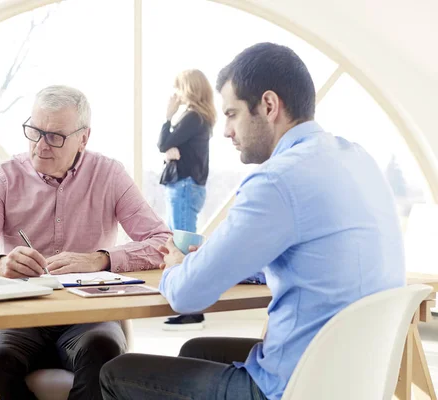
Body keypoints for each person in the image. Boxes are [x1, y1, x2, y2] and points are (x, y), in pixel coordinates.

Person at [100, 42, 405, 400]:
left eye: (231, 114)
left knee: (117, 372)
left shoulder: (277, 180)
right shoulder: (358, 159)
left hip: (294, 388)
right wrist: (226, 257)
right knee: (198, 350)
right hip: (355, 379)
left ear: (269, 106)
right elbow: (316, 254)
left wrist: (178, 265)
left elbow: (186, 295)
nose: (226, 130)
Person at [0, 85, 171, 400]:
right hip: (21, 317)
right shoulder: (3, 177)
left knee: (103, 351)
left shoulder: (109, 174)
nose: (41, 145)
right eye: (34, 131)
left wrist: (101, 259)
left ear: (84, 138)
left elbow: (161, 243)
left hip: (88, 319)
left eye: (55, 136)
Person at [157, 69, 216, 330]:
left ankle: (191, 309)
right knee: (182, 243)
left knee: (182, 247)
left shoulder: (193, 117)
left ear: (189, 89)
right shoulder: (200, 118)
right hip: (186, 186)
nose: (175, 94)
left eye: (179, 88)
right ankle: (190, 307)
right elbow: (167, 147)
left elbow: (163, 143)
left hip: (184, 187)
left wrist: (168, 117)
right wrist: (169, 151)